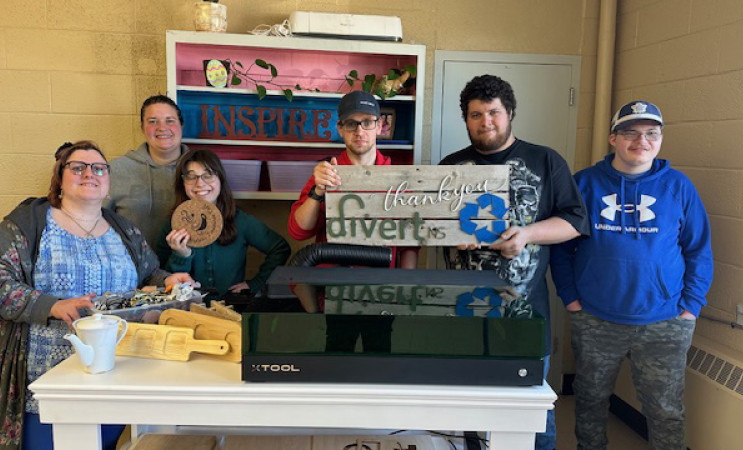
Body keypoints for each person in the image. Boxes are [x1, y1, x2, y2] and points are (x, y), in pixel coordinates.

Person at [0, 141, 193, 450]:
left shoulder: (124, 230)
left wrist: (168, 280)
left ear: (107, 182)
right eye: (77, 167)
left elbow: (148, 276)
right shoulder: (27, 225)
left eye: (99, 168)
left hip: (118, 377)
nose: (90, 173)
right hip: (44, 386)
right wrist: (49, 305)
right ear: (59, 179)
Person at [550, 100, 713, 450]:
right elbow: (561, 246)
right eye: (630, 133)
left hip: (665, 320)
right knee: (590, 400)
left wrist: (690, 308)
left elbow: (698, 250)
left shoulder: (679, 187)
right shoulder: (585, 184)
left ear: (660, 138)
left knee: (666, 409)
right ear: (613, 138)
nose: (642, 141)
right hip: (595, 317)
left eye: (651, 133)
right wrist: (571, 299)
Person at [439, 74, 590, 450]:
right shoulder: (449, 166)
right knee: (468, 401)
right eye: (476, 114)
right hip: (464, 311)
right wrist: (450, 237)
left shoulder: (545, 160)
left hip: (525, 312)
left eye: (493, 112)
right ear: (466, 119)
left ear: (510, 114)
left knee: (532, 404)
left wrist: (527, 235)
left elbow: (575, 222)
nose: (486, 122)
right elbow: (432, 226)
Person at [288, 90, 418, 269]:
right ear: (340, 128)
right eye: (351, 124)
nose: (359, 131)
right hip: (332, 285)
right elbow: (299, 231)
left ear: (380, 125)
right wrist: (318, 192)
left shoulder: (399, 178)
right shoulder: (327, 173)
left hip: (382, 287)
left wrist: (405, 285)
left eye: (367, 122)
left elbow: (410, 241)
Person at [156, 149, 291, 297]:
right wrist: (182, 256)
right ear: (182, 183)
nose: (199, 183)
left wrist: (255, 284)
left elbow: (280, 248)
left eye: (208, 175)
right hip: (187, 311)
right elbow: (160, 276)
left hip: (231, 308)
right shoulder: (173, 224)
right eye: (191, 176)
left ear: (220, 179)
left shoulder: (240, 220)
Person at [107, 95, 190, 247]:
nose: (162, 127)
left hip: (186, 266)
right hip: (131, 268)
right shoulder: (115, 170)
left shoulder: (200, 171)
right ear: (142, 128)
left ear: (181, 125)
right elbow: (95, 221)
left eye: (170, 120)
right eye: (152, 121)